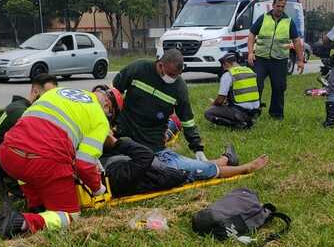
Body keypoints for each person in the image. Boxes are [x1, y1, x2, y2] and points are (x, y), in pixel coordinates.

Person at [0, 85, 122, 238]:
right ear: (108, 106)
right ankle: (23, 221)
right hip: (44, 160)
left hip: (8, 152)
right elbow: (84, 164)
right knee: (71, 216)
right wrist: (98, 189)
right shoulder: (100, 119)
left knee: (30, 174)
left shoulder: (57, 92)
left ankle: (37, 206)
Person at [114, 49, 246, 182]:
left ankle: (229, 161)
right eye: (170, 74)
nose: (172, 78)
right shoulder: (139, 68)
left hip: (153, 146)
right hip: (125, 136)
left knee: (177, 170)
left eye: (177, 75)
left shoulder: (178, 87)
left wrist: (197, 148)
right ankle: (224, 160)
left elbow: (187, 120)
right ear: (160, 65)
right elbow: (114, 91)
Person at [102, 136, 269, 198]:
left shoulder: (107, 171)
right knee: (207, 171)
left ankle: (224, 159)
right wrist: (116, 142)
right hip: (167, 172)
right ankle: (245, 167)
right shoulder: (117, 178)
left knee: (196, 164)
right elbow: (144, 155)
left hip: (156, 163)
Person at [0, 73, 58, 193]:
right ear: (35, 92)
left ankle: (7, 181)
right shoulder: (20, 111)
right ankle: (16, 188)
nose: (52, 101)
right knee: (36, 150)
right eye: (48, 96)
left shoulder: (24, 108)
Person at [247, 0, 304, 120]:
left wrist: (300, 60)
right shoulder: (263, 18)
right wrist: (251, 52)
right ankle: (254, 111)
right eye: (278, 6)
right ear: (273, 5)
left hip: (279, 60)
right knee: (256, 85)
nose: (280, 8)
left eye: (282, 6)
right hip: (261, 59)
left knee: (279, 87)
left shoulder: (288, 21)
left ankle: (276, 114)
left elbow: (296, 41)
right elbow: (251, 34)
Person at [204, 52, 260, 129]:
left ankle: (238, 124)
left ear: (226, 63)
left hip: (241, 112)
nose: (223, 68)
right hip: (255, 112)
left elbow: (220, 100)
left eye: (223, 65)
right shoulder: (249, 71)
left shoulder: (228, 74)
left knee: (209, 113)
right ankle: (248, 120)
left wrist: (214, 104)